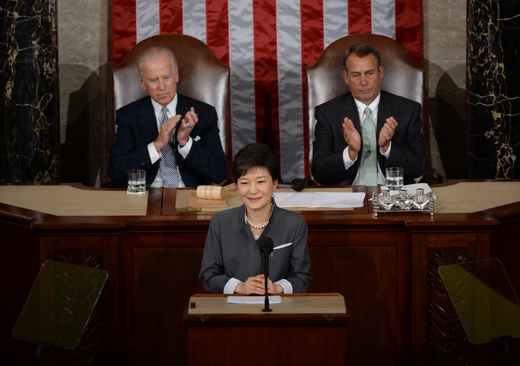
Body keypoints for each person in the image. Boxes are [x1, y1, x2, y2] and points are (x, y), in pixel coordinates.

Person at [199, 143, 312, 294]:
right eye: (244, 182)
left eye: (260, 181)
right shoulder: (220, 222)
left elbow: (301, 277)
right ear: (237, 185)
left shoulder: (295, 224)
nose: (252, 190)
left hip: (277, 309)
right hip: (234, 310)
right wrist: (240, 287)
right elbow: (209, 275)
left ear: (274, 183)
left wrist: (278, 288)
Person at [108, 46, 228, 188]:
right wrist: (157, 144)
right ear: (142, 82)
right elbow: (116, 172)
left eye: (166, 77)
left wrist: (185, 142)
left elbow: (219, 174)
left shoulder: (204, 113)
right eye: (153, 80)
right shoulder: (128, 116)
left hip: (189, 194)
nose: (162, 86)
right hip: (145, 195)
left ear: (176, 76)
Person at [312, 42, 427, 186]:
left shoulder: (408, 110)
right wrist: (350, 153)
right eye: (356, 75)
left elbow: (419, 167)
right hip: (347, 196)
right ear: (346, 77)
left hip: (392, 194)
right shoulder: (327, 113)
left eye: (369, 73)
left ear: (381, 73)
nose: (363, 82)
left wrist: (388, 148)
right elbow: (318, 172)